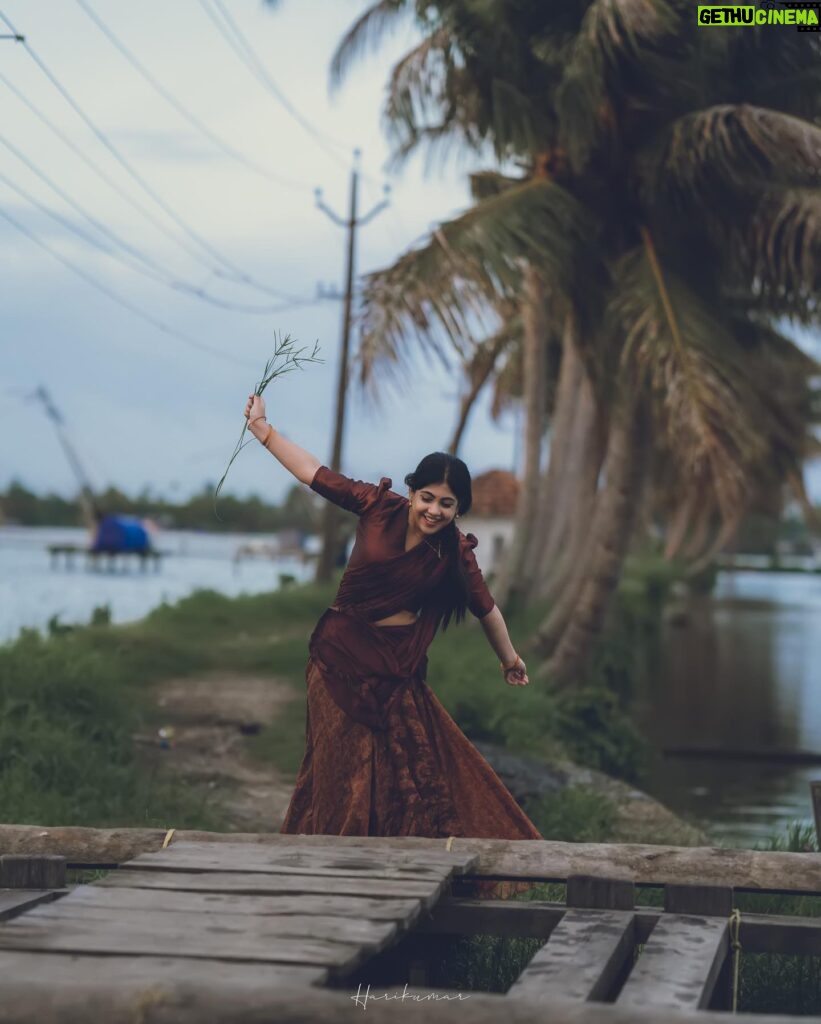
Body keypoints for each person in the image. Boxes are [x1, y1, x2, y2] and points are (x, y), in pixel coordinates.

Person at [244, 392, 543, 897]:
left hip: (396, 672)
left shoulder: (454, 554)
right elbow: (314, 473)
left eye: (447, 504)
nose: (434, 510)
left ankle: (393, 881)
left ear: (458, 509)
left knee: (410, 771)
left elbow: (486, 609)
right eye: (427, 497)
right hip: (338, 662)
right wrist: (265, 432)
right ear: (412, 491)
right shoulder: (377, 507)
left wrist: (509, 659)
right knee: (341, 768)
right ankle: (329, 880)